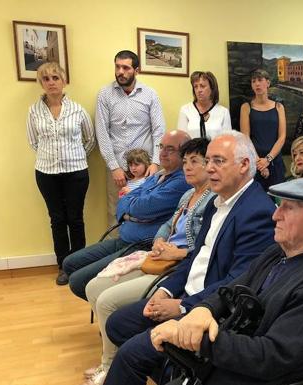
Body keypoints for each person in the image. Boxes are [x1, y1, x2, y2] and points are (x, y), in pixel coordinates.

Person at [104, 178, 303, 385]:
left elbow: (270, 358)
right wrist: (203, 310)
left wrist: (194, 338)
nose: (275, 216)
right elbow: (235, 286)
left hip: (260, 372)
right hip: (237, 347)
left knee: (138, 355)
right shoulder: (281, 251)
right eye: (279, 205)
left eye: (288, 208)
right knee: (135, 352)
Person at [103, 131, 277, 382]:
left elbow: (240, 281)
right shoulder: (217, 202)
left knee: (130, 356)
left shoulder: (256, 211)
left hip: (209, 311)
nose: (210, 168)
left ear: (244, 165)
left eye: (218, 161)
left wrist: (184, 305)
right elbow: (195, 256)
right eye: (208, 161)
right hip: (185, 295)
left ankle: (182, 369)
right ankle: (178, 370)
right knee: (118, 324)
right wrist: (166, 291)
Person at [82, 138, 214, 385]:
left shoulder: (212, 201)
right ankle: (114, 355)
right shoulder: (187, 194)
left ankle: (110, 365)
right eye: (185, 162)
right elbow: (167, 224)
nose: (187, 167)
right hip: (156, 256)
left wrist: (176, 253)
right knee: (92, 287)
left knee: (107, 302)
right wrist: (159, 240)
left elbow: (204, 250)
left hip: (174, 267)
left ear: (210, 165)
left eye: (194, 161)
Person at [62, 130, 192, 301]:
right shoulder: (157, 176)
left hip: (140, 245)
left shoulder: (181, 181)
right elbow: (123, 202)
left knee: (78, 281)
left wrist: (131, 206)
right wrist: (131, 206)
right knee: (69, 263)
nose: (162, 152)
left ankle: (112, 307)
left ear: (184, 154)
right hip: (123, 238)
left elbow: (142, 207)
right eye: (161, 147)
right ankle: (105, 303)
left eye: (170, 149)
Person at [27, 62, 95, 285]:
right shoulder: (34, 111)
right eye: (46, 79)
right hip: (46, 173)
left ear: (63, 81)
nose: (51, 82)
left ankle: (79, 265)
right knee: (57, 220)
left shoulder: (78, 110)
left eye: (55, 77)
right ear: (41, 83)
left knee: (75, 218)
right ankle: (63, 266)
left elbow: (90, 140)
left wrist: (73, 156)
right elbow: (33, 141)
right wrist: (53, 158)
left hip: (76, 172)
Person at [96, 50, 166, 229]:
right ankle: (116, 254)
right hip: (117, 169)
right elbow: (102, 132)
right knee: (116, 212)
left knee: (147, 211)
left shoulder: (150, 94)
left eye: (126, 67)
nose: (120, 72)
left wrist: (156, 163)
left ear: (136, 70)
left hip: (147, 168)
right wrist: (114, 167)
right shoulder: (105, 94)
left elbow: (159, 130)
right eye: (117, 67)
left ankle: (143, 253)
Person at [240, 69, 286, 191]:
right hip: (254, 163)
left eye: (260, 80)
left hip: (275, 162)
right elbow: (245, 138)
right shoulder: (246, 107)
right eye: (253, 81)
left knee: (278, 201)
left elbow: (282, 137)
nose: (257, 84)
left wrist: (268, 159)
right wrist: (259, 164)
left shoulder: (279, 107)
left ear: (268, 83)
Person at [176, 71, 231, 140]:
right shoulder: (185, 110)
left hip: (216, 150)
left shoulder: (223, 112)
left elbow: (227, 141)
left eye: (202, 86)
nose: (199, 90)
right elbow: (181, 140)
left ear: (212, 88)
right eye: (196, 87)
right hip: (191, 150)